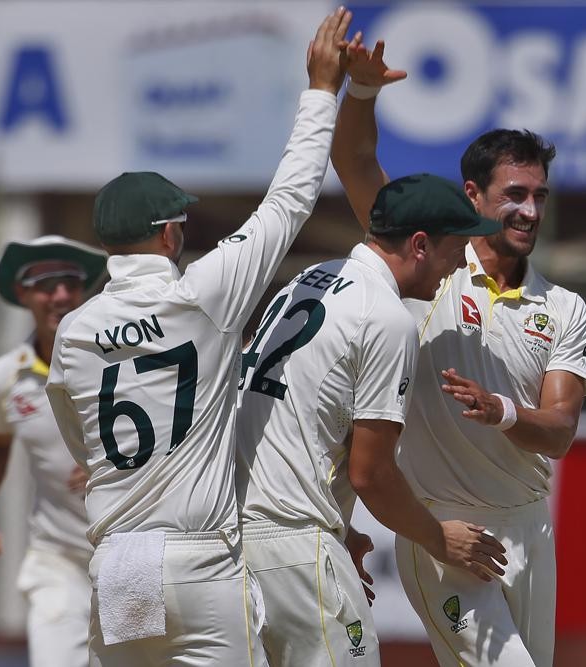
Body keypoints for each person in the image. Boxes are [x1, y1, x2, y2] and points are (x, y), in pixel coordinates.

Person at [44, 8, 354, 665]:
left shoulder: (74, 330)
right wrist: (321, 89)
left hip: (118, 555)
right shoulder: (202, 296)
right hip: (199, 554)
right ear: (168, 235)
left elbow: (80, 430)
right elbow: (290, 199)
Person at [330, 43, 586, 667]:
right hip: (443, 528)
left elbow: (558, 434)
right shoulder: (429, 263)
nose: (529, 211)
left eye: (539, 195)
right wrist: (362, 93)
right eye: (514, 194)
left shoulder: (563, 307)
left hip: (529, 524)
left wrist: (502, 409)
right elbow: (353, 158)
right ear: (473, 195)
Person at [236, 173, 508, 666]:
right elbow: (372, 473)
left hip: (233, 538)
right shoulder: (386, 317)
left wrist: (342, 529)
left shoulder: (311, 278)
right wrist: (437, 537)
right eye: (457, 247)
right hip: (295, 548)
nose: (461, 263)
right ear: (421, 244)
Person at [0, 235, 106, 667]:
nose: (61, 294)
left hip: (129, 554)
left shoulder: (117, 359)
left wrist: (112, 463)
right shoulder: (4, 375)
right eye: (45, 283)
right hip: (57, 559)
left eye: (70, 281)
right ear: (23, 293)